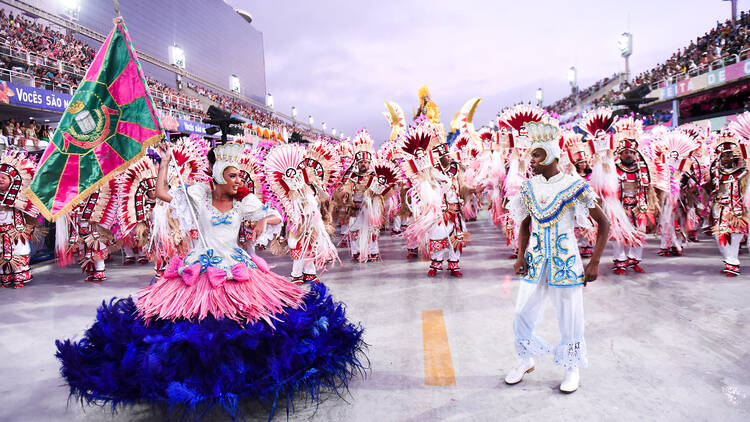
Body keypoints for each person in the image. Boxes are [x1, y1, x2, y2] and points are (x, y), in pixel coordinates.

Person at [55, 142, 366, 417]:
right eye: (232, 175)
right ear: (217, 175)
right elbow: (162, 194)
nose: (239, 181)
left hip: (236, 268)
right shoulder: (198, 195)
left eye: (241, 176)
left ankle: (240, 377)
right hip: (197, 270)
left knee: (247, 324)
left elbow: (275, 216)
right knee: (192, 327)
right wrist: (164, 163)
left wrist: (260, 223)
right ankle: (194, 377)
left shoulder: (244, 201)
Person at [505, 121, 610, 394]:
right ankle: (525, 360)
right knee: (521, 313)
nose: (532, 160)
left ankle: (571, 369)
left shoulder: (575, 186)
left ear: (551, 155)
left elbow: (604, 223)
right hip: (535, 262)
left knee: (570, 317)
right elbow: (525, 225)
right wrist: (520, 256)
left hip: (566, 264)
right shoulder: (528, 188)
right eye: (531, 155)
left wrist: (595, 261)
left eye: (537, 155)